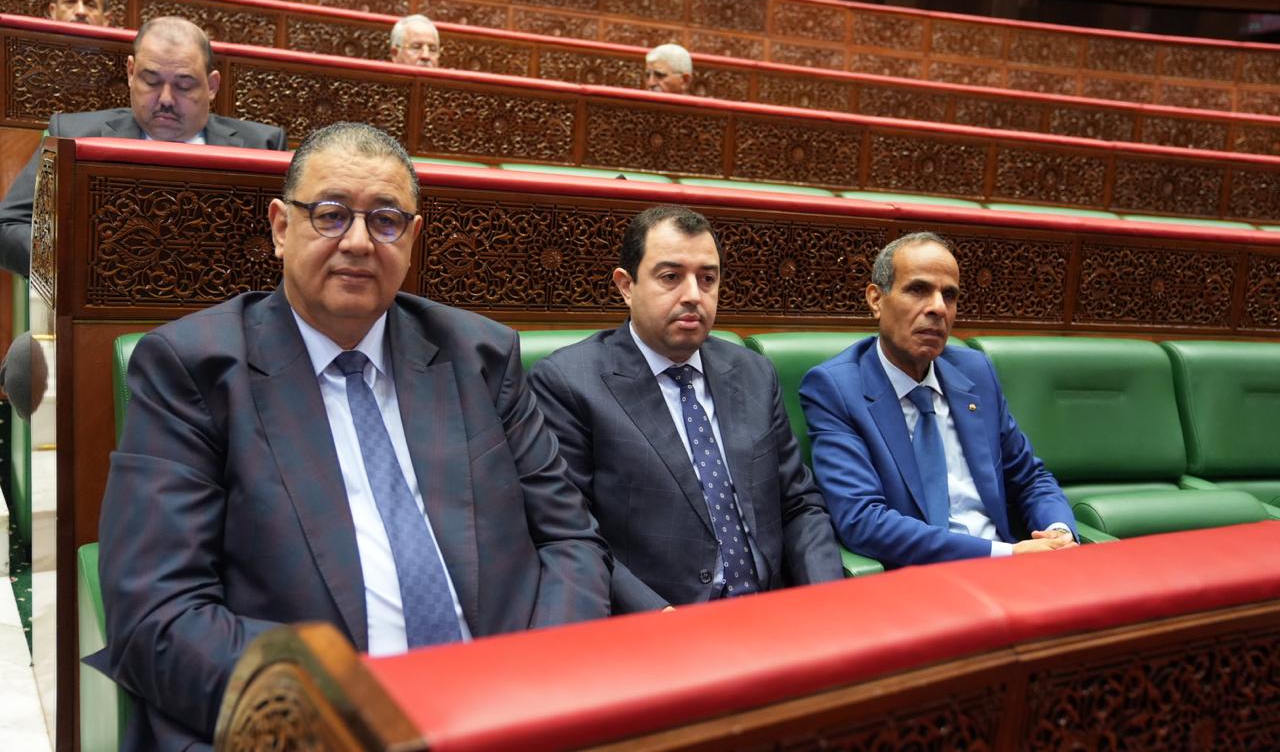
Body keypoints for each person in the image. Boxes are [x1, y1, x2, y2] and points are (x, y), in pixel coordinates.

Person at [90, 122, 612, 750]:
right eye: (331, 215)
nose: (360, 243)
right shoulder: (194, 369)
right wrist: (350, 707)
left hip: (506, 709)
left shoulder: (479, 355)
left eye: (386, 221)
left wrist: (540, 678)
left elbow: (569, 539)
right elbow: (158, 615)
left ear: (412, 239)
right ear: (281, 228)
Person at [529, 205, 843, 612]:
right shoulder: (570, 382)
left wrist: (827, 601)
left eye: (707, 278)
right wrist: (657, 617)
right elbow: (573, 533)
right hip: (658, 622)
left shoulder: (752, 372)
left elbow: (799, 504)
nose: (693, 295)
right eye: (671, 277)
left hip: (772, 614)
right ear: (626, 286)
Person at [799, 232, 1076, 568]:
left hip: (1013, 569)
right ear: (876, 299)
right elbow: (862, 519)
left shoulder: (975, 372)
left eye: (949, 295)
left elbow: (1030, 479)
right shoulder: (836, 388)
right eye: (918, 290)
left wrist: (1059, 533)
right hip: (923, 578)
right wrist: (1006, 553)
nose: (938, 308)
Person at [0, 16, 287, 277]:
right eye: (151, 81)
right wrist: (82, 260)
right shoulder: (75, 137)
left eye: (184, 86)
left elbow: (287, 240)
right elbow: (8, 227)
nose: (166, 99)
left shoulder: (262, 146)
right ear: (130, 72)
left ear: (212, 86)